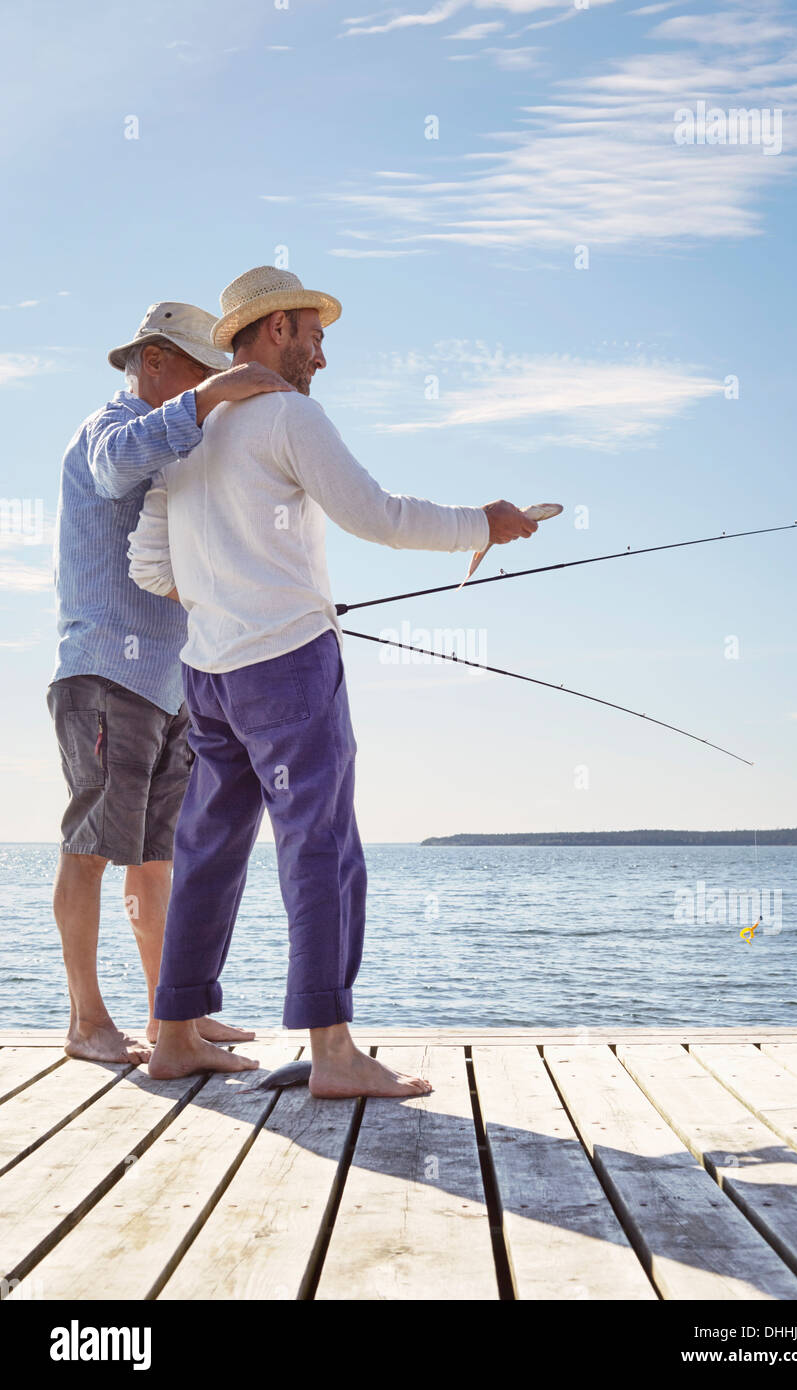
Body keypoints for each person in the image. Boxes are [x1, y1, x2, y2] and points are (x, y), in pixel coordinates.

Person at [128, 266, 537, 1096]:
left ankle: (173, 1036)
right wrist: (484, 524)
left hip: (207, 674)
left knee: (206, 850)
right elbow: (375, 516)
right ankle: (335, 1051)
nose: (323, 354)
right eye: (316, 334)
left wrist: (224, 598)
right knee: (321, 848)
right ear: (276, 328)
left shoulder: (186, 432)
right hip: (288, 667)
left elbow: (148, 564)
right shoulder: (286, 414)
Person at [48, 300, 294, 1063]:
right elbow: (119, 464)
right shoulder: (108, 429)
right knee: (89, 848)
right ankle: (86, 1022)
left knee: (160, 862)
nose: (211, 384)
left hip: (168, 688)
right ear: (153, 361)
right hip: (103, 678)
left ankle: (170, 1018)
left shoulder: (171, 449)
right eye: (199, 368)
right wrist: (214, 398)